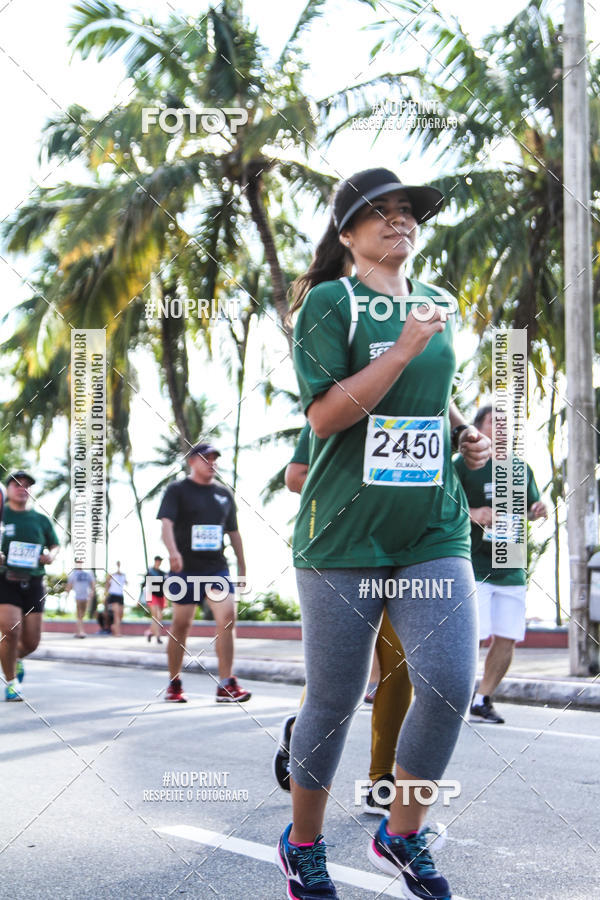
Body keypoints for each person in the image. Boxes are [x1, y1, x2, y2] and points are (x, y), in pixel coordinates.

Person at [276, 167, 491, 900]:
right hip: (343, 535)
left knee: (451, 684)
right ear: (347, 234)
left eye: (408, 212)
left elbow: (436, 387)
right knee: (333, 702)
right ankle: (302, 842)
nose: (400, 221)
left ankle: (399, 835)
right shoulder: (329, 303)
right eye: (382, 213)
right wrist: (399, 348)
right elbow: (326, 416)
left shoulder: (438, 303)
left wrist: (463, 433)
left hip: (432, 528)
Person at [274, 423, 414, 818]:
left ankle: (380, 780)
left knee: (398, 665)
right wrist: (360, 490)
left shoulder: (419, 413)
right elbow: (295, 476)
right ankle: (302, 731)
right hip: (345, 551)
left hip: (405, 552)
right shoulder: (340, 408)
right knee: (335, 677)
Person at [454, 404, 548, 724]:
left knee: (507, 636)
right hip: (473, 565)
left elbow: (532, 507)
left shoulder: (521, 468)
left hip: (511, 566)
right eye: (496, 422)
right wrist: (474, 514)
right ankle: (454, 695)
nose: (504, 428)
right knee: (472, 635)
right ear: (479, 429)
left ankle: (483, 698)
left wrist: (537, 508)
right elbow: (439, 503)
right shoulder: (464, 465)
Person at [157, 442, 250, 703]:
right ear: (192, 462)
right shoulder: (177, 490)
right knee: (182, 624)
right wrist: (173, 552)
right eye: (206, 458)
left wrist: (242, 565)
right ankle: (174, 682)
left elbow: (233, 532)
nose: (212, 463)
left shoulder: (224, 494)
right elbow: (166, 524)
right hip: (185, 568)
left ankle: (226, 683)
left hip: (216, 568)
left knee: (228, 616)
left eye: (214, 459)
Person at [0, 471, 59, 701]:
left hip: (34, 581)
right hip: (6, 580)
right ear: (8, 490)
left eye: (27, 486)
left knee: (32, 642)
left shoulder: (40, 519)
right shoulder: (2, 516)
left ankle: (13, 659)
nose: (22, 488)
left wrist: (51, 556)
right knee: (10, 630)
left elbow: (55, 545)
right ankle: (12, 682)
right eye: (17, 485)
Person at [66, 560, 95, 638]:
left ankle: (78, 631)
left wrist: (92, 592)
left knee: (82, 614)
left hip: (86, 596)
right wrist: (67, 594)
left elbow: (92, 583)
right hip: (77, 596)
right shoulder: (73, 573)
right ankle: (80, 632)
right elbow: (69, 585)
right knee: (79, 614)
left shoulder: (89, 572)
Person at [144, 555, 166, 644]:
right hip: (152, 595)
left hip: (161, 596)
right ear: (155, 561)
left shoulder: (162, 573)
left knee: (159, 617)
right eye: (158, 560)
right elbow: (144, 584)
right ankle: (158, 637)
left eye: (160, 560)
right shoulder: (150, 571)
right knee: (156, 616)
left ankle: (150, 632)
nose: (159, 562)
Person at [105, 561, 127, 637]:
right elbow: (107, 583)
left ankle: (114, 626)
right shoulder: (112, 575)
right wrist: (106, 595)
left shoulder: (123, 575)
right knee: (116, 614)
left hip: (120, 596)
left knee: (121, 614)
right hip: (113, 595)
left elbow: (126, 583)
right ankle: (117, 632)